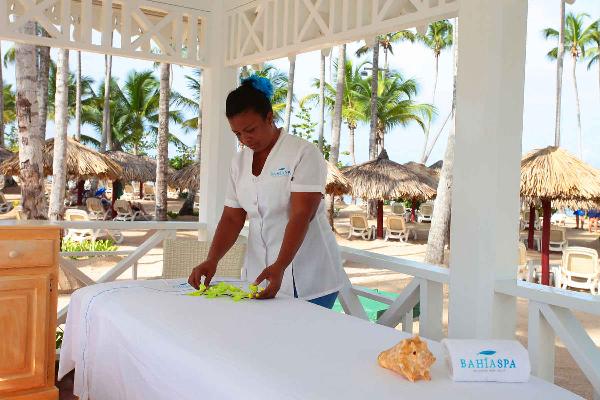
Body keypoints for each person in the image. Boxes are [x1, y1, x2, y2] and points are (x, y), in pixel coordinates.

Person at [188, 75, 344, 309]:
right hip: (261, 273)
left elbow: (302, 214)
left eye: (250, 129)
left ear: (269, 117)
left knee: (302, 344)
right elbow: (232, 217)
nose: (244, 139)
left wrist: (280, 265)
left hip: (309, 275)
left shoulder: (303, 152)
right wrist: (212, 260)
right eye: (237, 134)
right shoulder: (239, 162)